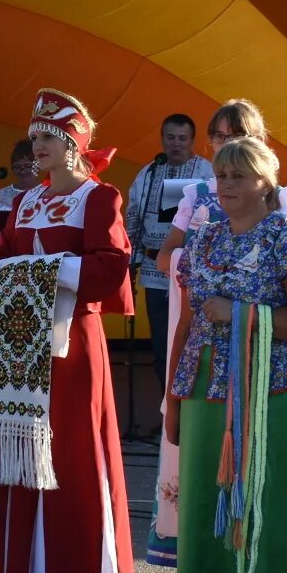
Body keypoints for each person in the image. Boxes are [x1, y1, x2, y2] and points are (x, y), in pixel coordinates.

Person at [0, 90, 136, 573]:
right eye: (35, 137)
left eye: (47, 137)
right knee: (25, 463)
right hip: (22, 351)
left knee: (69, 461)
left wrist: (46, 267)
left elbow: (111, 268)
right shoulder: (24, 202)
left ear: (73, 144)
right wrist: (8, 267)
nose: (36, 146)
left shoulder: (100, 199)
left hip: (72, 349)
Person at [170, 137, 287, 573]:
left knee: (273, 501)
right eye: (221, 175)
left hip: (270, 387)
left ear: (267, 182)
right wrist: (173, 396)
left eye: (239, 175)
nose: (227, 185)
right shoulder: (203, 239)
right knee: (205, 504)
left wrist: (239, 313)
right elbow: (190, 319)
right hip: (203, 385)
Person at [147, 99, 287, 568]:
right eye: (218, 135)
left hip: (254, 338)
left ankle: (249, 563)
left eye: (238, 134)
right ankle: (192, 552)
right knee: (193, 438)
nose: (226, 144)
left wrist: (234, 270)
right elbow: (164, 256)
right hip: (194, 315)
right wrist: (206, 256)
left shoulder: (283, 201)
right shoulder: (194, 192)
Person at [124, 114, 213, 387]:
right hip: (154, 269)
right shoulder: (149, 173)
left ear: (192, 140)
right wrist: (131, 262)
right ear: (162, 138)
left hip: (193, 270)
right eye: (170, 138)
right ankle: (167, 412)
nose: (176, 144)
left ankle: (189, 410)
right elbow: (133, 217)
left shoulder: (205, 172)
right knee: (162, 342)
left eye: (182, 138)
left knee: (190, 338)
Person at [0, 140, 40, 241]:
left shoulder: (49, 195)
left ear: (38, 166)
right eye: (17, 167)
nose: (22, 171)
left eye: (27, 166)